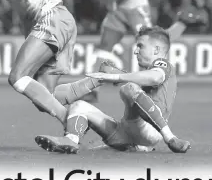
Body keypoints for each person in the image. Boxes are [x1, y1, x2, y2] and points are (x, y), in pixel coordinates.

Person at [35, 26, 191, 154]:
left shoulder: (163, 64)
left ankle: (170, 138)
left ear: (156, 50)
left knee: (128, 89)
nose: (136, 51)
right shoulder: (143, 74)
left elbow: (155, 78)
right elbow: (142, 82)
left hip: (151, 131)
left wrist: (116, 77)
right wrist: (110, 75)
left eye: (140, 46)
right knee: (79, 106)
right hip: (127, 132)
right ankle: (70, 140)